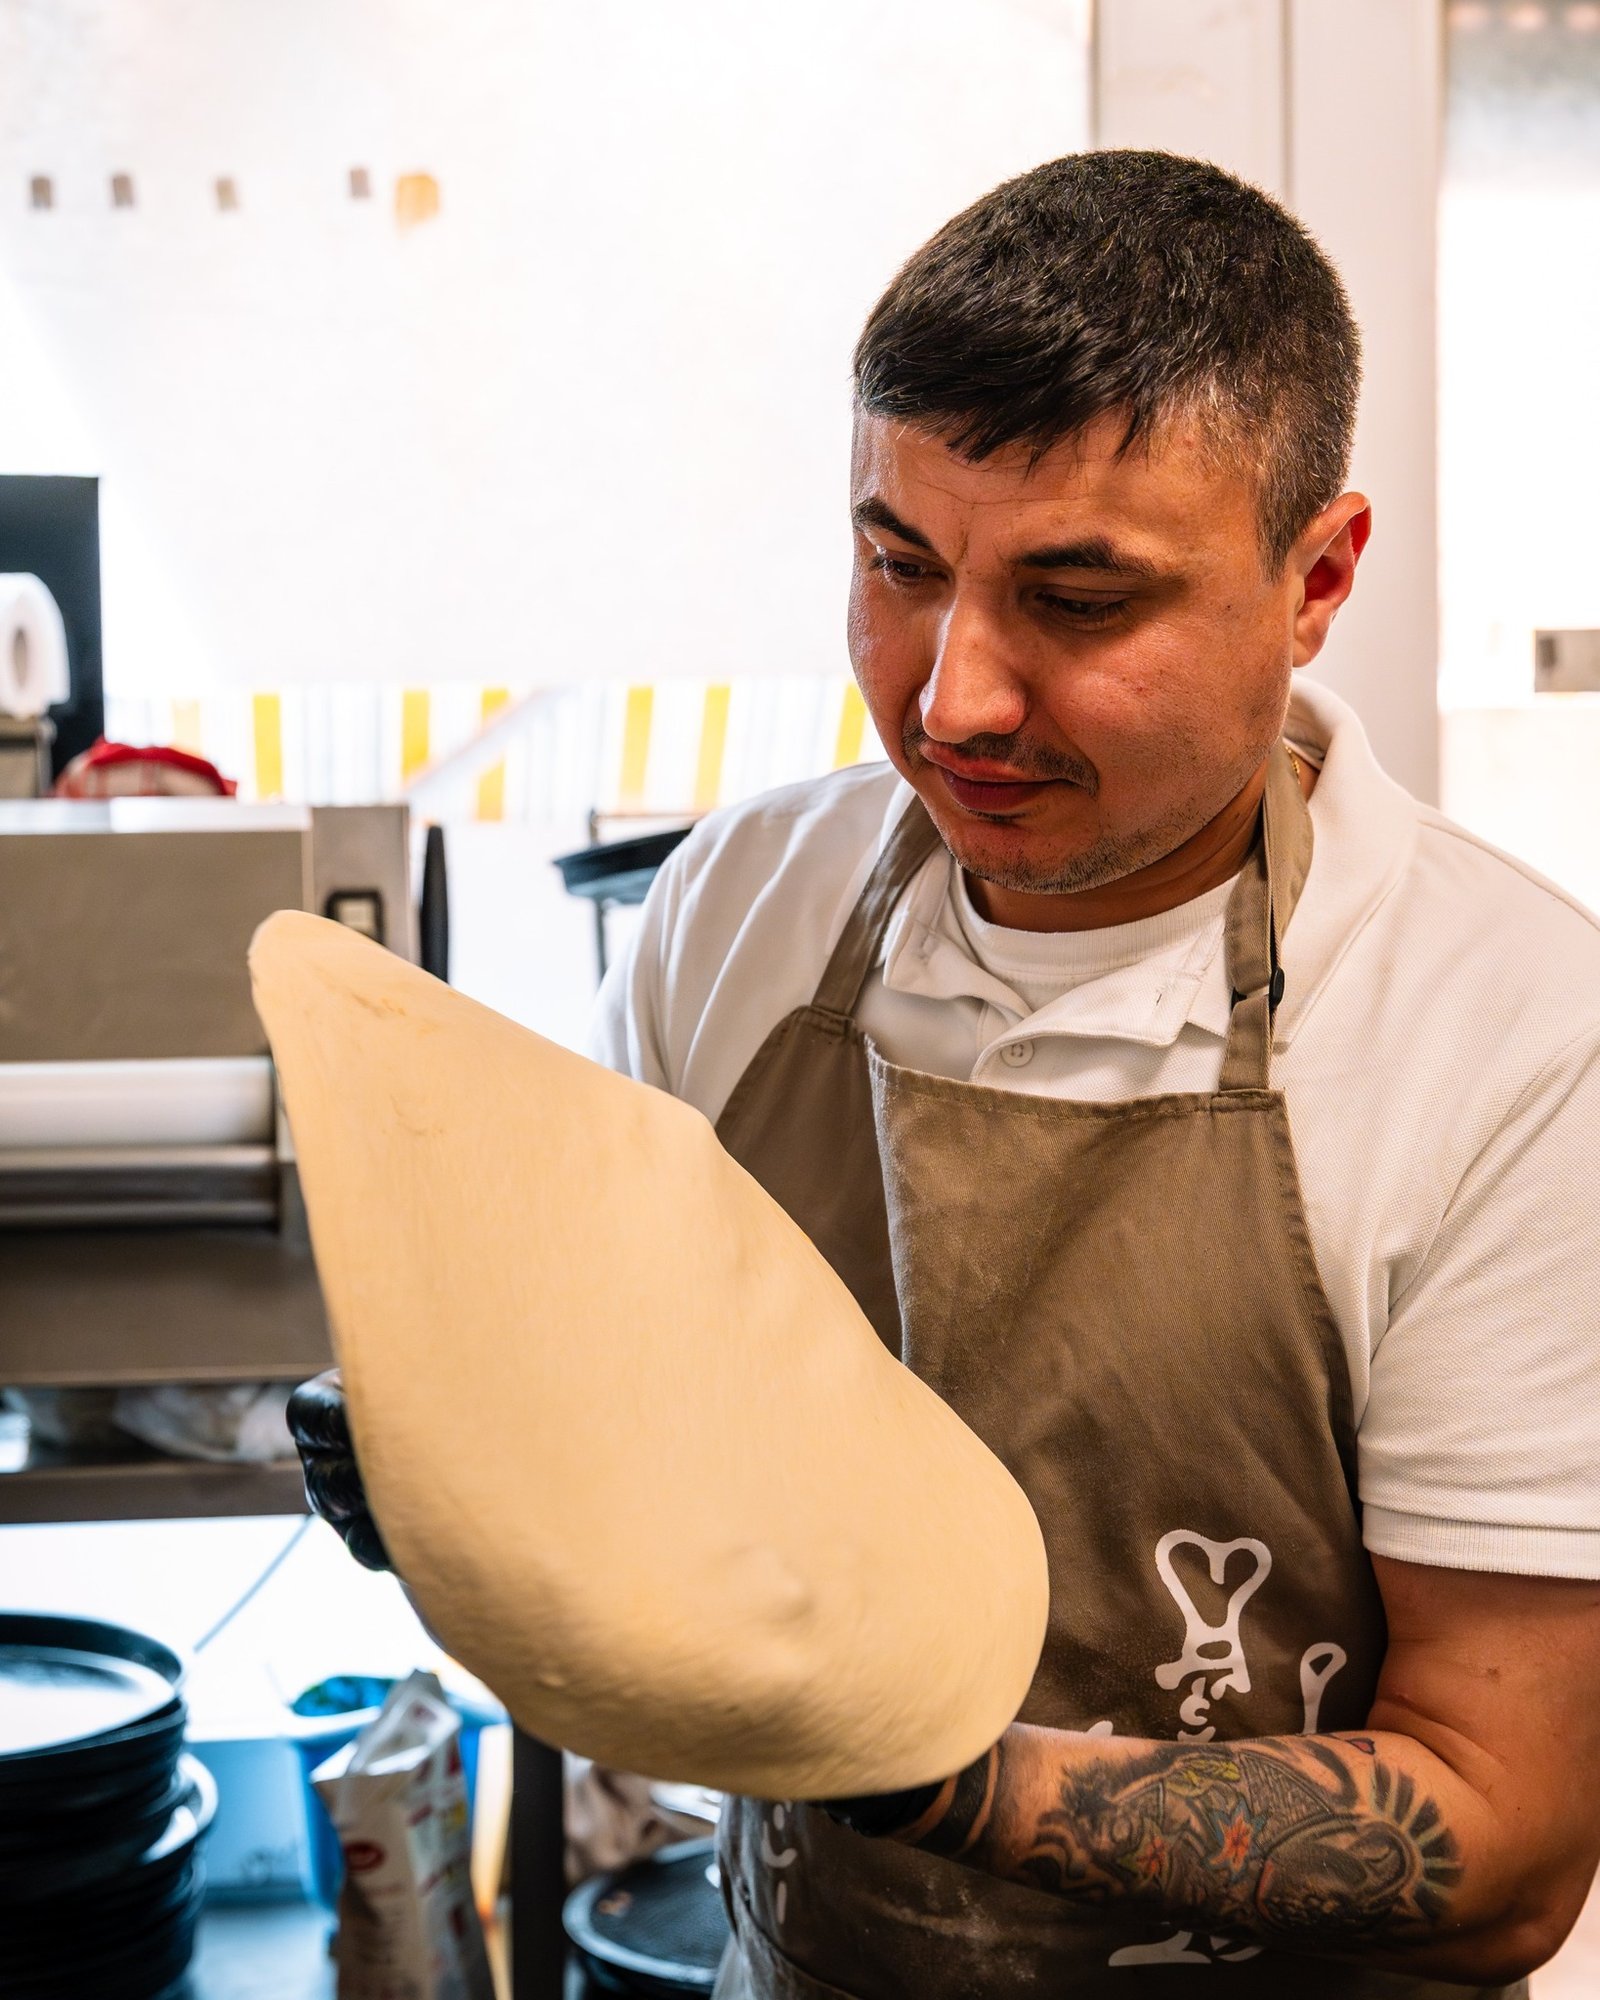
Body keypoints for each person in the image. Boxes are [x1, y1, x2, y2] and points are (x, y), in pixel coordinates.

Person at [292, 151, 1600, 1995]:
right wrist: (468, 1447)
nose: (951, 697)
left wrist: (930, 1773)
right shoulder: (743, 909)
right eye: (900, 567)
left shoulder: (1517, 1041)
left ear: (1316, 579)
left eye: (1079, 600)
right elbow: (662, 1432)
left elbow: (1505, 1833)